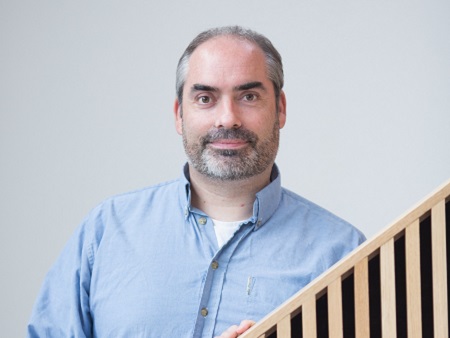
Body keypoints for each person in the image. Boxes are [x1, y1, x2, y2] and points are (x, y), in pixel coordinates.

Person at [27, 26, 365, 338]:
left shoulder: (342, 254)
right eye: (206, 98)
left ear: (280, 109)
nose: (227, 118)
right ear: (179, 114)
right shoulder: (106, 231)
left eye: (248, 96)